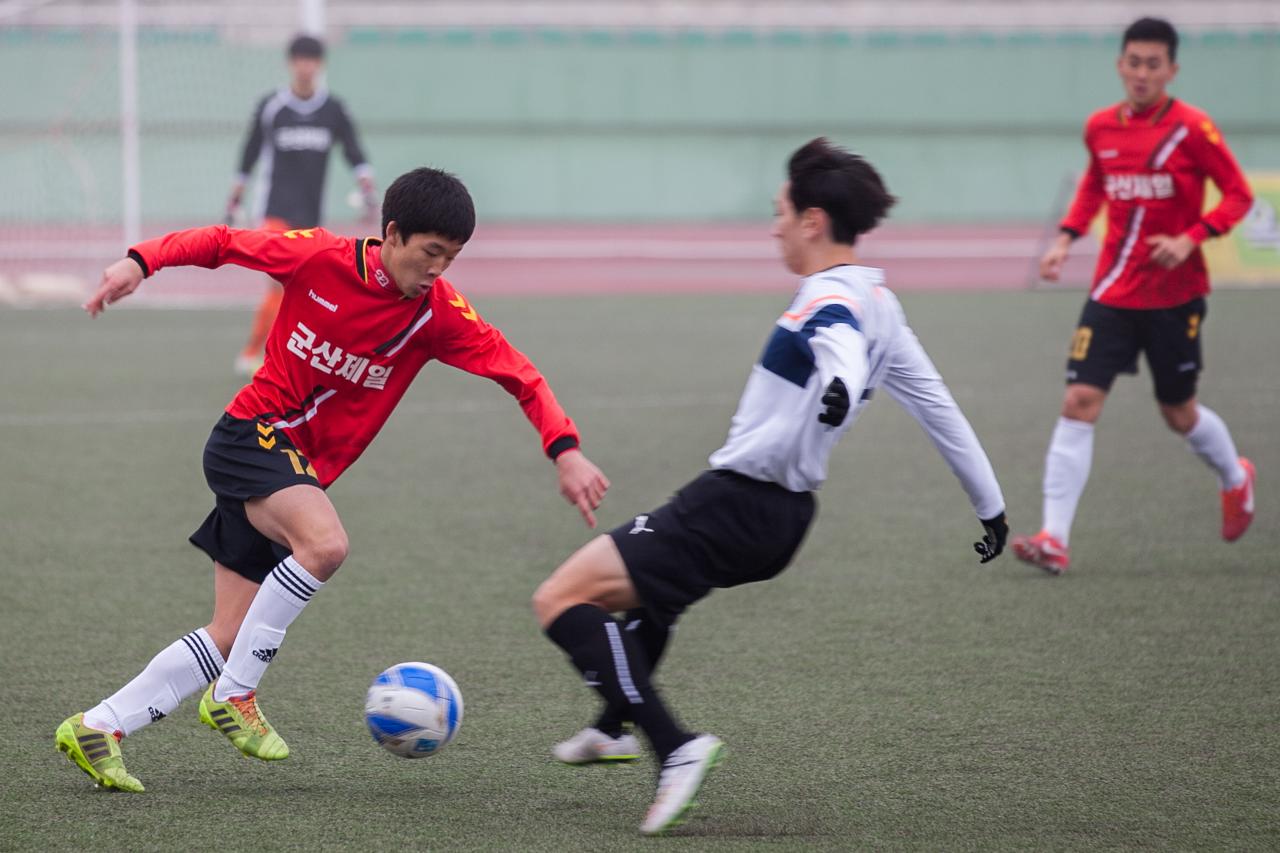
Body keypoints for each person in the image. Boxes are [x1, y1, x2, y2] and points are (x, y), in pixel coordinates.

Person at [55, 167, 609, 793]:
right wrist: (140, 261)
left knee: (231, 630)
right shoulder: (318, 256)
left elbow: (519, 373)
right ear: (392, 234)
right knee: (324, 545)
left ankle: (100, 726)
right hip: (252, 435)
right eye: (430, 253)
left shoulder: (438, 315)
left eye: (451, 259)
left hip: (292, 468)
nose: (437, 270)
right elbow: (221, 242)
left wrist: (565, 448)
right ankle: (235, 693)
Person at [531, 139, 1009, 836]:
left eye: (781, 211)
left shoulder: (829, 294)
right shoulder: (884, 303)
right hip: (783, 518)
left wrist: (841, 386)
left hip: (736, 502)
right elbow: (939, 408)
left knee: (560, 599)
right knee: (651, 596)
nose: (774, 225)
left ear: (813, 220)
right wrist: (991, 506)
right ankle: (612, 729)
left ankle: (675, 747)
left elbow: (835, 341)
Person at [1014, 17, 1256, 575]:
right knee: (1078, 401)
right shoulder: (1100, 127)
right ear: (1120, 65)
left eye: (1154, 64)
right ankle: (1054, 537)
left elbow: (1239, 195)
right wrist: (1066, 239)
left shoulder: (1194, 130)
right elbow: (1096, 184)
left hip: (1176, 297)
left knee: (1177, 412)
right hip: (1113, 293)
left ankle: (1236, 478)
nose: (1142, 73)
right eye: (1133, 62)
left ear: (1171, 70)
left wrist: (1192, 237)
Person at [227, 33, 378, 376]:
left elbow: (354, 150)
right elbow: (249, 153)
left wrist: (366, 184)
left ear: (320, 65)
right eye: (300, 59)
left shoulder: (333, 110)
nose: (306, 66)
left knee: (305, 288)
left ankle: (280, 354)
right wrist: (236, 194)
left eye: (311, 60)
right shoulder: (272, 107)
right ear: (291, 63)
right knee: (279, 283)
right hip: (274, 209)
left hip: (310, 214)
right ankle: (254, 351)